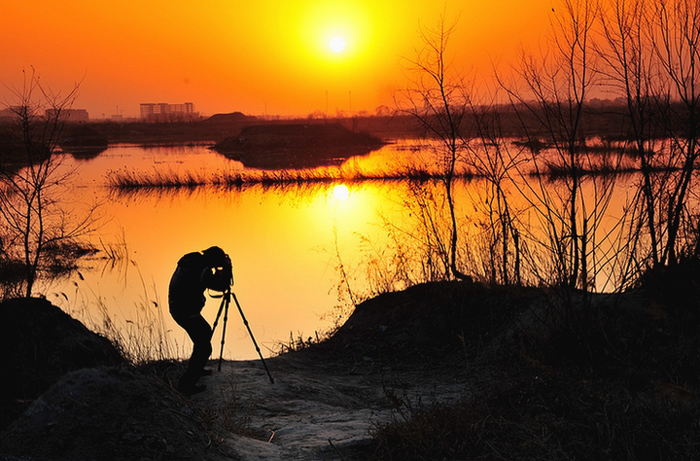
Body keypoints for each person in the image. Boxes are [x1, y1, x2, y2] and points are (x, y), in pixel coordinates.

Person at [168, 246, 232, 396]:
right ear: (214, 260)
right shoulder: (203, 270)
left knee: (203, 335)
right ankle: (186, 385)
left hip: (177, 308)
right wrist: (228, 268)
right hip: (186, 312)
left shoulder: (193, 261)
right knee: (205, 347)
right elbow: (222, 286)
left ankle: (197, 369)